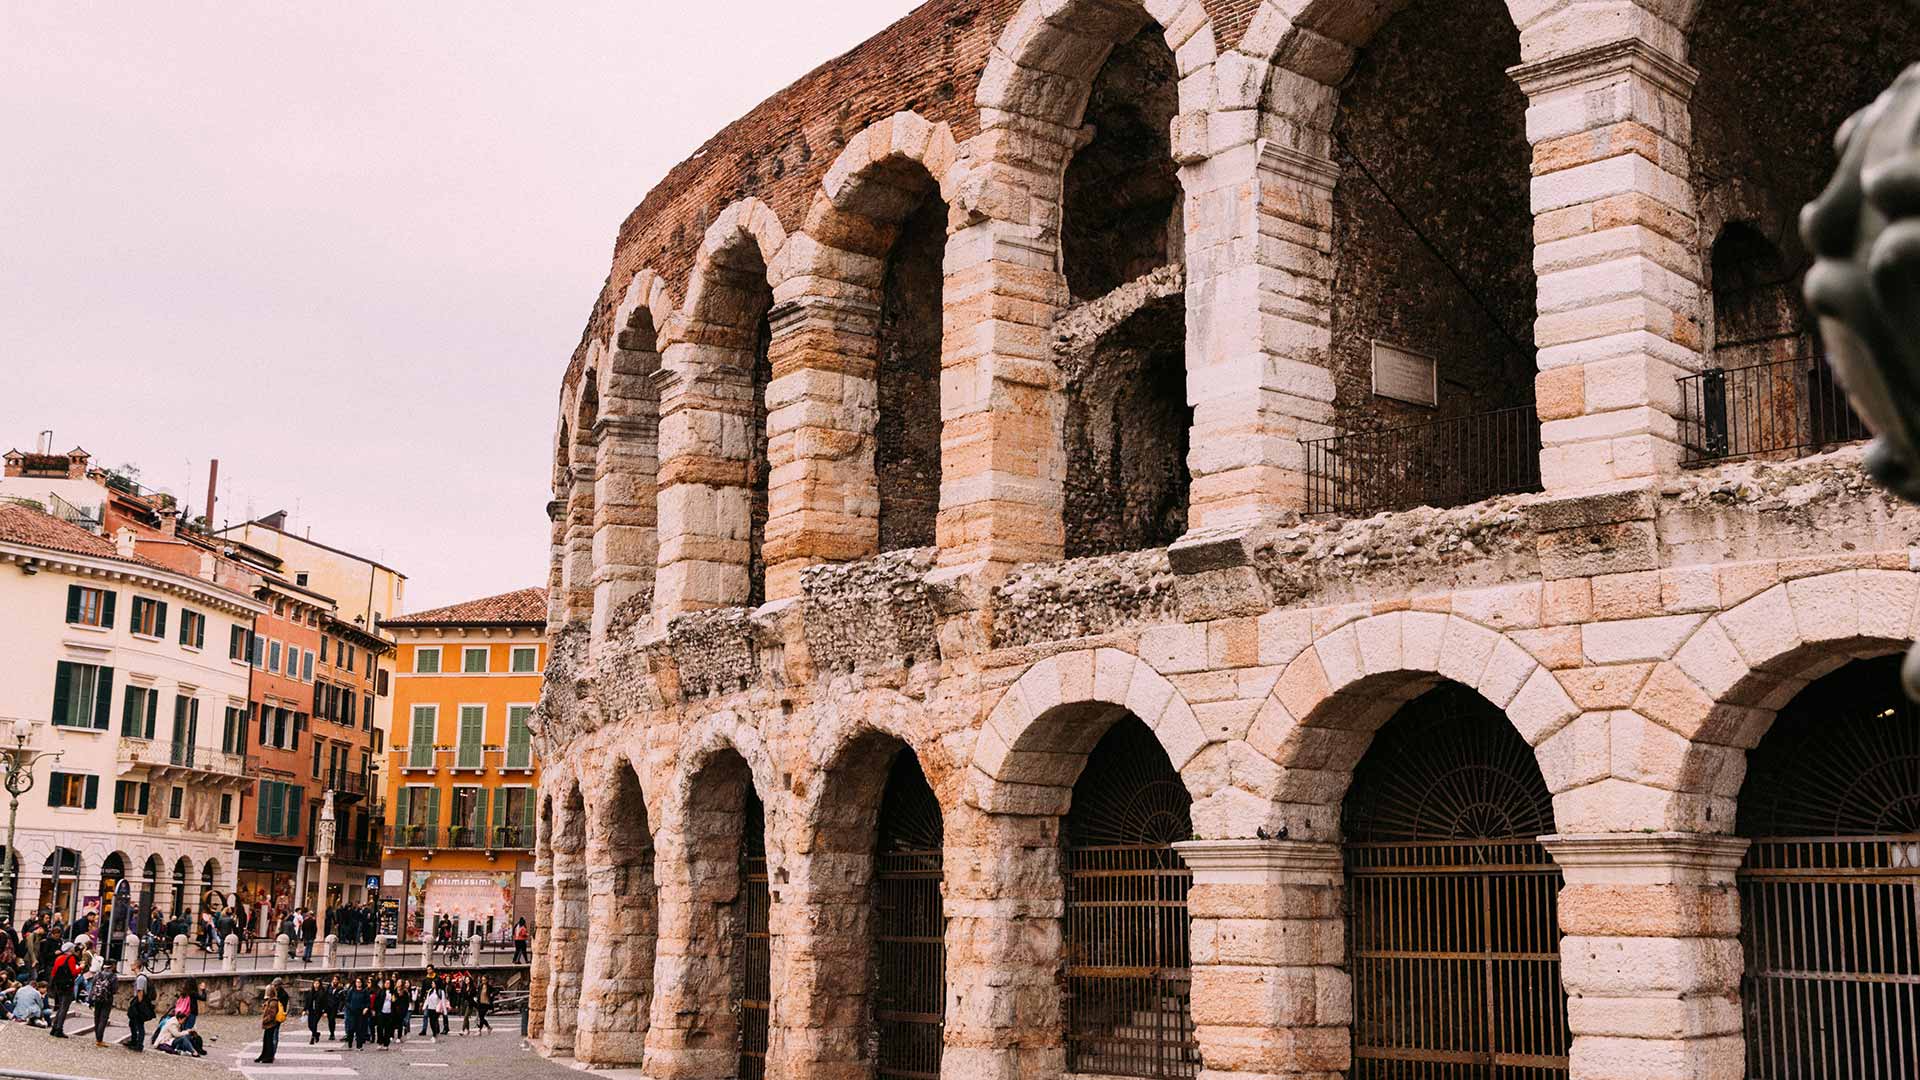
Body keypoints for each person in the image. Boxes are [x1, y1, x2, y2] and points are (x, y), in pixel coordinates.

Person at [46, 941, 79, 1037]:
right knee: (64, 1008)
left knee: (61, 1006)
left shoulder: (58, 958)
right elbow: (73, 972)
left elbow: (54, 972)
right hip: (67, 986)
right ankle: (59, 1028)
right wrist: (80, 968)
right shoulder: (71, 958)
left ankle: (55, 1027)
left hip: (59, 985)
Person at [120, 957, 151, 1052]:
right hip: (138, 1001)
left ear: (137, 966)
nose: (131, 965)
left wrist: (138, 1005)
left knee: (139, 1024)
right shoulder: (140, 977)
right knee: (132, 1023)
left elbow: (140, 992)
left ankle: (139, 1044)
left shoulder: (141, 978)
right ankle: (134, 1040)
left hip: (139, 1002)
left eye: (133, 963)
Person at [255, 978, 288, 1064]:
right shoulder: (271, 1000)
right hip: (271, 1022)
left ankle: (270, 1056)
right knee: (267, 1039)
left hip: (273, 1021)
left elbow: (272, 1014)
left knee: (272, 1038)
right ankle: (265, 1055)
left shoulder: (276, 999)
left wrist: (265, 1020)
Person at [87, 954, 116, 1046]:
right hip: (107, 999)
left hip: (97, 998)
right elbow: (114, 990)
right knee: (103, 1018)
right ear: (112, 966)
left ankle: (97, 1038)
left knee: (97, 1017)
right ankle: (99, 1039)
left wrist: (90, 998)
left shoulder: (98, 974)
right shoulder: (113, 976)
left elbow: (93, 986)